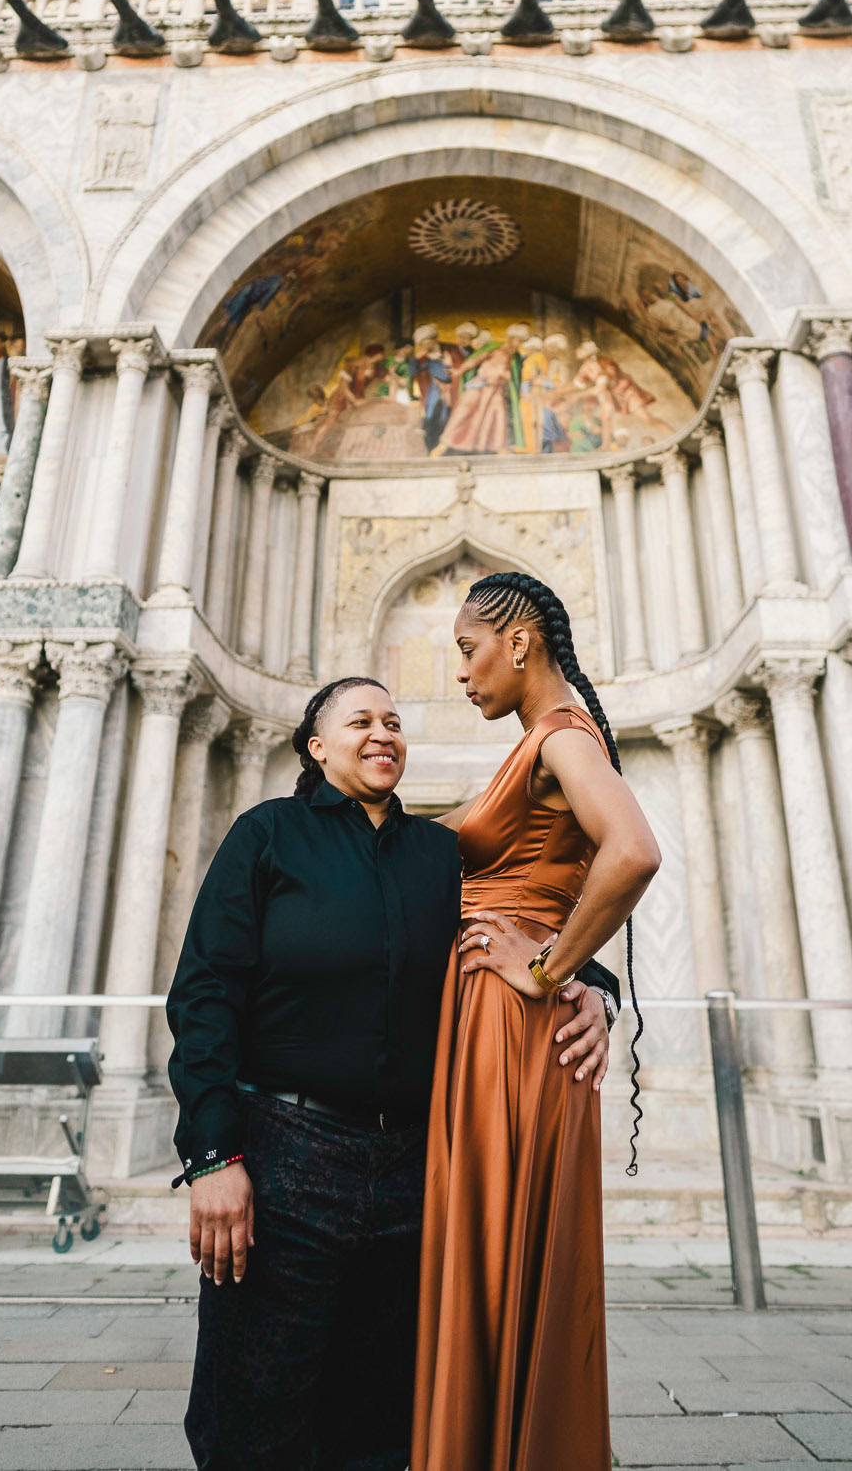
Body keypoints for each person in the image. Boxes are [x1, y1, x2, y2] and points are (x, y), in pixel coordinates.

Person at [167, 676, 620, 1471]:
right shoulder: (267, 837)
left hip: (415, 1171)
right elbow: (204, 996)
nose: (383, 734)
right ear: (316, 745)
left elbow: (524, 920)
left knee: (380, 1423)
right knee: (253, 1414)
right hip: (285, 1159)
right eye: (361, 721)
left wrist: (588, 986)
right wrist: (213, 1157)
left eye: (394, 722)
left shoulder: (440, 856)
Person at [412, 569, 661, 1471]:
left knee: (493, 1245)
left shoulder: (558, 737)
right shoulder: (541, 743)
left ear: (519, 643)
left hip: (512, 1028)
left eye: (469, 652)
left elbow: (633, 852)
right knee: (494, 1247)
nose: (464, 675)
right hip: (501, 1023)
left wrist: (550, 967)